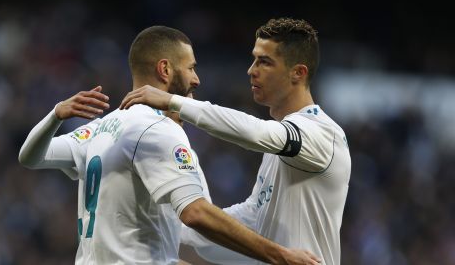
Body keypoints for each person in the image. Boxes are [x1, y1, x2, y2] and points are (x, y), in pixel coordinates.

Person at [19, 25, 321, 265]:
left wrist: (56, 114)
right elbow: (196, 214)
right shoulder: (157, 128)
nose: (197, 79)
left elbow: (31, 156)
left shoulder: (101, 128)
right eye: (190, 68)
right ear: (165, 70)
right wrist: (280, 256)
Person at [120, 18, 351, 265]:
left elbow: (257, 133)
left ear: (298, 72)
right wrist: (175, 226)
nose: (251, 70)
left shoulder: (323, 133)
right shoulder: (280, 146)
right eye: (254, 59)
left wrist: (174, 102)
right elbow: (254, 218)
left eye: (264, 62)